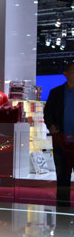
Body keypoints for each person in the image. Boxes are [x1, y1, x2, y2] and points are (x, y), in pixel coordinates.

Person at [43, 62, 74, 210]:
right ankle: (62, 210)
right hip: (61, 141)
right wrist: (51, 125)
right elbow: (47, 112)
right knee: (62, 177)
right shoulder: (56, 92)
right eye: (72, 71)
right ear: (66, 74)